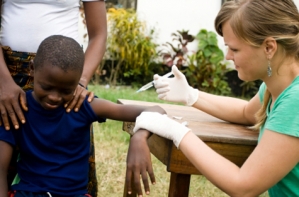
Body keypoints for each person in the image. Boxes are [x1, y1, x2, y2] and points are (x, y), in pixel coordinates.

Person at [131, 0, 299, 196]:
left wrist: (176, 131)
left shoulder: (295, 100)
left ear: (269, 48)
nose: (227, 56)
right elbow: (246, 113)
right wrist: (191, 95)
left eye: (234, 49)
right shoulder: (278, 86)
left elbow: (243, 186)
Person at [0, 35, 165, 197]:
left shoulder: (82, 105)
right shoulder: (17, 107)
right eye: (46, 87)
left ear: (79, 81)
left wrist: (139, 137)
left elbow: (157, 111)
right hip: (29, 193)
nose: (54, 97)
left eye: (66, 91)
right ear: (32, 69)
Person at [0, 1, 107, 196]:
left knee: (65, 163)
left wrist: (79, 82)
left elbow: (99, 34)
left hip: (66, 79)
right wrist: (3, 81)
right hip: (5, 74)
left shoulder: (64, 92)